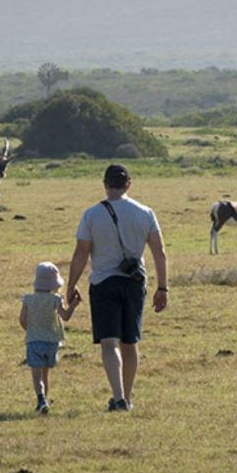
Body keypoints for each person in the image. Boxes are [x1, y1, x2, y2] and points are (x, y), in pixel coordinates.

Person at [66, 163, 169, 412]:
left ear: (105, 184)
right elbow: (159, 252)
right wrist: (163, 287)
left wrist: (70, 286)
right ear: (128, 184)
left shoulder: (91, 214)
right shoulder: (145, 212)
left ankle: (118, 396)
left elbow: (81, 253)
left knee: (109, 342)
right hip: (135, 283)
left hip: (103, 283)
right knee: (130, 342)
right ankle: (128, 397)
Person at [18, 261, 81, 414]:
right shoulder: (55, 300)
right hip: (51, 342)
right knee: (45, 374)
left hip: (34, 341)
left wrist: (31, 330)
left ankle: (41, 399)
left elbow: (22, 319)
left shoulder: (28, 299)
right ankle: (44, 401)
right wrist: (74, 304)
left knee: (36, 375)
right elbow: (65, 316)